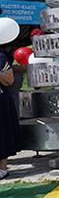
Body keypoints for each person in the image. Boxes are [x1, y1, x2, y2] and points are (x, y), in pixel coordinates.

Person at [0, 50, 20, 180]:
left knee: (2, 133)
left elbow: (9, 80)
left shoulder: (1, 57)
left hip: (1, 101)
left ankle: (3, 168)